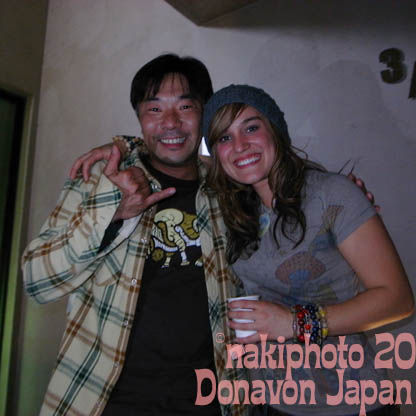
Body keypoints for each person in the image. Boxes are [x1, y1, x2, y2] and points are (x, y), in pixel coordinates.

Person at [22, 54, 248, 416]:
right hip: (109, 399)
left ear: (204, 113)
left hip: (211, 399)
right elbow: (36, 282)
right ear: (140, 118)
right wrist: (113, 216)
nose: (170, 122)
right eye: (154, 109)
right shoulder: (98, 181)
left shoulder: (228, 189)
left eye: (185, 107)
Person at [200, 84, 415, 415]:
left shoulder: (331, 194)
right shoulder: (237, 211)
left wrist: (293, 323)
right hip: (272, 402)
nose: (240, 145)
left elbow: (397, 300)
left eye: (251, 128)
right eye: (224, 137)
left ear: (275, 130)